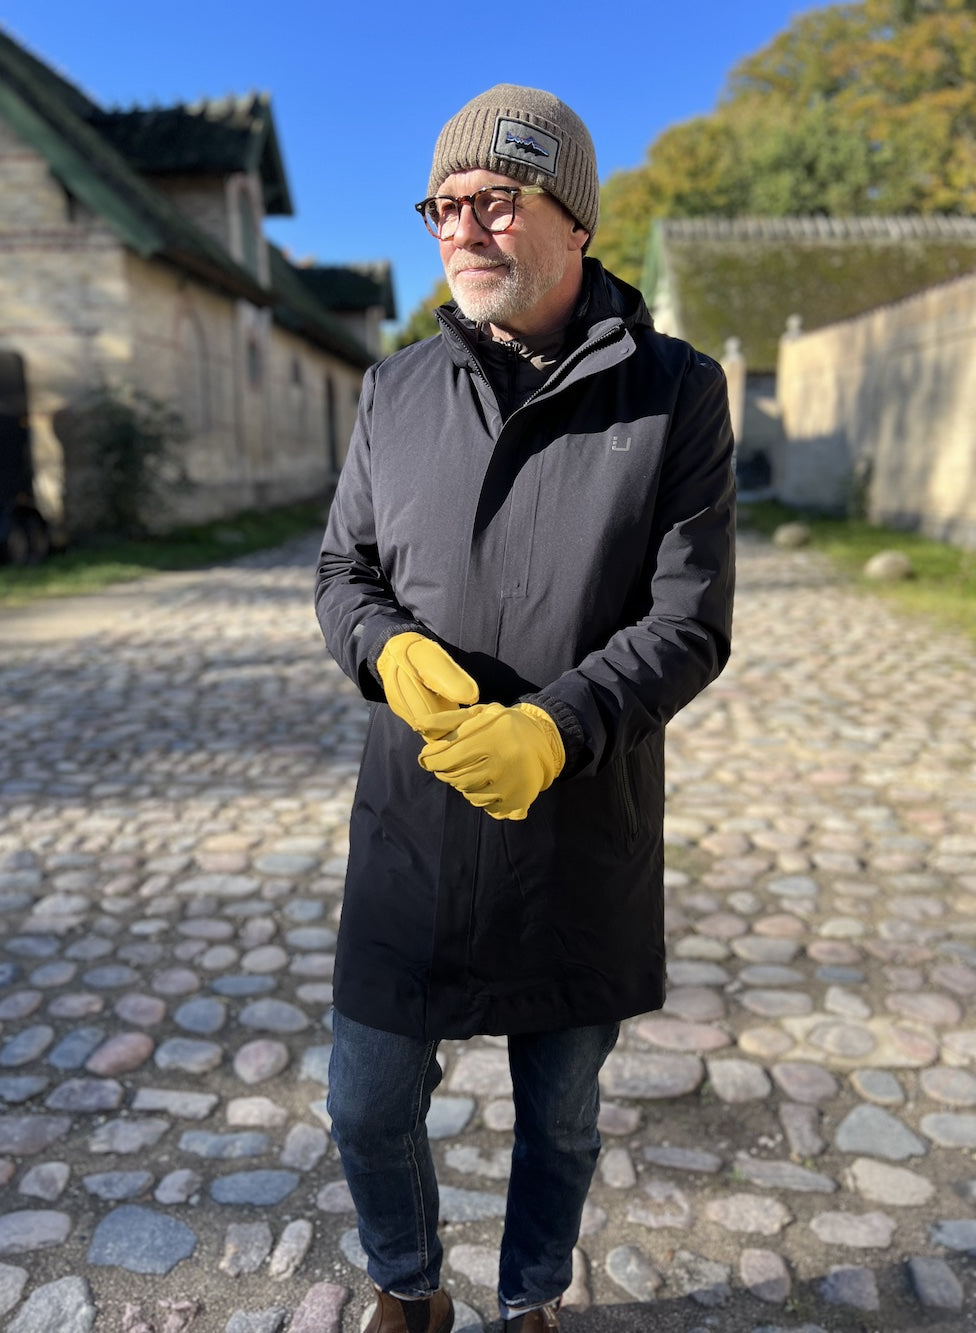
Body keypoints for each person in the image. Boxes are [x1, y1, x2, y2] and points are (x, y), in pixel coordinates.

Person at [314, 84, 736, 1333]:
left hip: (579, 828)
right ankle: (408, 1284)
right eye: (443, 205)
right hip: (414, 823)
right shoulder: (393, 390)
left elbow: (689, 620)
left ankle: (532, 1297)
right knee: (364, 1100)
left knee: (559, 1115)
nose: (462, 227)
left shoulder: (676, 391)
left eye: (496, 199)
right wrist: (384, 650)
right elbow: (343, 569)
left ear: (576, 221)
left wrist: (556, 725)